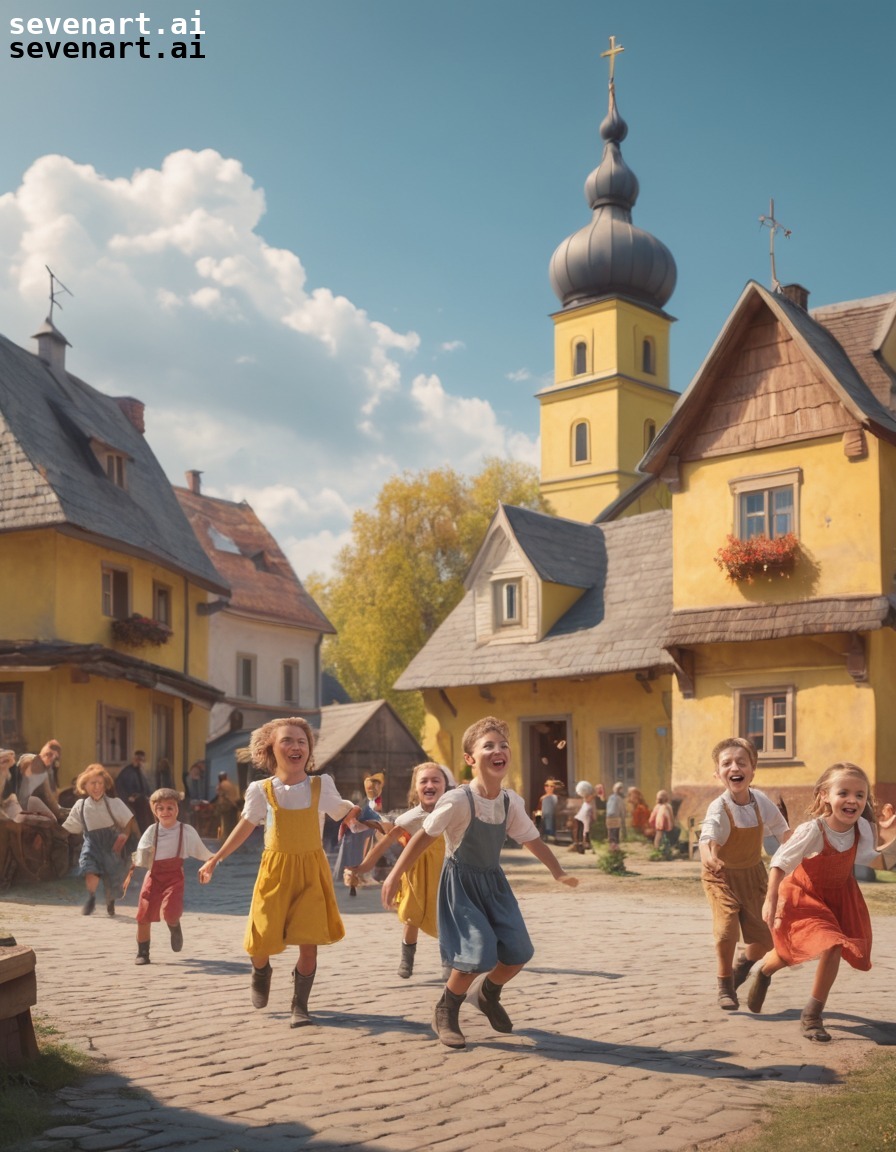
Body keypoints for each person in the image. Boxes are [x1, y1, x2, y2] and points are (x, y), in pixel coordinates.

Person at [381, 716, 578, 1050]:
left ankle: (487, 995)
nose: (498, 750)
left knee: (518, 952)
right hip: (461, 885)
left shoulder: (509, 801)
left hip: (494, 884)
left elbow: (533, 840)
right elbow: (423, 838)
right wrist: (394, 875)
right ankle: (446, 1009)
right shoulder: (457, 800)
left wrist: (557, 871)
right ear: (470, 759)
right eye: (488, 746)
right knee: (478, 953)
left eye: (503, 745)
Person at [198, 716, 361, 1027]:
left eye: (302, 741)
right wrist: (215, 858)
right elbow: (245, 826)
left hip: (311, 872)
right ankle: (261, 970)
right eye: (287, 740)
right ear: (270, 748)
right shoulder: (261, 790)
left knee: (309, 943)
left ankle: (300, 1005)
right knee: (260, 942)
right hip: (274, 873)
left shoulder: (320, 785)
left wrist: (366, 819)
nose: (296, 746)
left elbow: (345, 813)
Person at [746, 762, 877, 1042]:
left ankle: (764, 970)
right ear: (824, 796)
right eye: (844, 792)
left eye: (860, 795)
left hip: (841, 897)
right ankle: (812, 1017)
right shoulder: (813, 830)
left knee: (804, 950)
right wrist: (770, 900)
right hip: (804, 896)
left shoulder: (862, 829)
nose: (852, 800)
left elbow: (875, 858)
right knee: (830, 944)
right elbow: (779, 863)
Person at [698, 737, 790, 1011]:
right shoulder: (718, 807)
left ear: (752, 770)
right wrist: (710, 859)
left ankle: (743, 965)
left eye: (741, 762)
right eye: (726, 763)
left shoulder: (759, 800)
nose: (734, 767)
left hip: (754, 875)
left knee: (765, 939)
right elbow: (705, 840)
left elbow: (783, 832)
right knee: (726, 930)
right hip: (721, 876)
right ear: (718, 774)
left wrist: (802, 854)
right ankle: (724, 984)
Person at [346, 761, 452, 979]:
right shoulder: (409, 818)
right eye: (424, 781)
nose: (430, 784)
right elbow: (384, 844)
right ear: (416, 788)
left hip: (444, 874)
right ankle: (407, 956)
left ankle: (449, 960)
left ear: (445, 786)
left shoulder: (453, 811)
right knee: (411, 916)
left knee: (448, 918)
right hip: (414, 875)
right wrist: (362, 868)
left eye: (436, 780)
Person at [130, 787, 213, 965]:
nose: (165, 812)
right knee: (144, 914)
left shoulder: (185, 830)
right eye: (160, 808)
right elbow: (142, 851)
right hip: (153, 875)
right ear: (155, 811)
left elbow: (201, 851)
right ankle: (143, 952)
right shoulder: (152, 831)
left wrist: (211, 861)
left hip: (174, 875)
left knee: (171, 910)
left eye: (170, 807)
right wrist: (140, 859)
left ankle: (174, 926)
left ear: (177, 809)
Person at [62, 765, 137, 916]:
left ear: (105, 785)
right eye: (92, 783)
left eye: (100, 783)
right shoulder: (81, 805)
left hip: (111, 843)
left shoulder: (114, 803)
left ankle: (110, 901)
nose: (97, 787)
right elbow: (71, 827)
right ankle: (91, 897)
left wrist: (124, 836)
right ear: (85, 786)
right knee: (89, 868)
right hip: (91, 842)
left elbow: (128, 821)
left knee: (112, 874)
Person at [115, 751, 154, 832]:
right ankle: (144, 831)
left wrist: (149, 796)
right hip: (131, 800)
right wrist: (127, 797)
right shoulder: (126, 772)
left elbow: (147, 787)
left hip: (142, 798)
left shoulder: (142, 772)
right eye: (137, 759)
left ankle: (152, 831)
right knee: (142, 808)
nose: (139, 762)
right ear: (134, 759)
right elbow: (119, 787)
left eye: (141, 760)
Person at [568, 781, 595, 854]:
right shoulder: (586, 804)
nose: (591, 798)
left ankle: (582, 847)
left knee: (583, 833)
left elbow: (590, 815)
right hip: (579, 819)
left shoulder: (589, 804)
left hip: (582, 820)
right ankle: (580, 847)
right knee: (580, 834)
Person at [649, 790, 676, 859]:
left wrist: (651, 823)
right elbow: (671, 816)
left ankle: (658, 850)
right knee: (663, 837)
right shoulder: (666, 806)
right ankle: (661, 851)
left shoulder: (659, 806)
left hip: (661, 823)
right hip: (664, 823)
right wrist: (673, 823)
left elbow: (652, 816)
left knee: (659, 837)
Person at [536, 778, 561, 842]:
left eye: (551, 786)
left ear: (554, 788)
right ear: (545, 787)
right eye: (547, 786)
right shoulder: (542, 798)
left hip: (554, 817)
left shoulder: (556, 798)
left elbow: (559, 808)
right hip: (544, 817)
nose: (549, 788)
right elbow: (539, 809)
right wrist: (537, 818)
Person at [605, 781, 627, 849]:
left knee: (611, 833)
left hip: (609, 817)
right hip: (615, 817)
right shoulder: (619, 799)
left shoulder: (610, 797)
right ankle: (615, 848)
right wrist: (623, 820)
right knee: (615, 833)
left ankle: (611, 847)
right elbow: (622, 810)